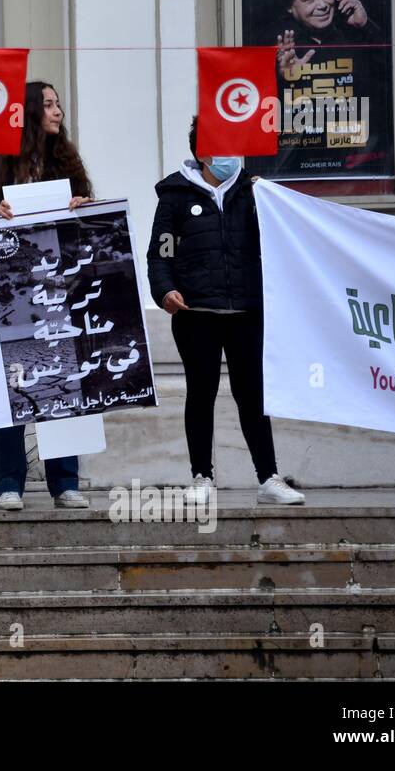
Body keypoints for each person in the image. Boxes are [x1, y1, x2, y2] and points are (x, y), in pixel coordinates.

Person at [145, 116, 304, 506]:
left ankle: (269, 477)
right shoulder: (175, 197)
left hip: (247, 312)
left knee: (252, 395)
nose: (231, 154)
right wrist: (164, 291)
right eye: (222, 143)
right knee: (201, 393)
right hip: (196, 313)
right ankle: (202, 476)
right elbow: (160, 254)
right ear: (201, 152)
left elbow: (283, 242)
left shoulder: (255, 193)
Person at [0, 81, 92, 511]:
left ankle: (64, 482)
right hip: (10, 296)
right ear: (30, 112)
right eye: (49, 105)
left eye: (58, 104)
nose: (58, 112)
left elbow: (88, 218)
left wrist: (82, 208)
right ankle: (9, 482)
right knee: (12, 385)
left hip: (56, 290)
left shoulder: (65, 163)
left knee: (59, 382)